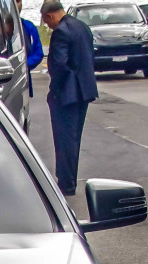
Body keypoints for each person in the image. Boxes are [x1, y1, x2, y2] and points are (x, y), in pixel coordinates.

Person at [41, 0, 97, 195]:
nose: (48, 27)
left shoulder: (61, 32)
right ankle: (69, 179)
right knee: (75, 139)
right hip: (84, 91)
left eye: (47, 23)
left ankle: (66, 183)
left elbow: (59, 65)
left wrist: (54, 90)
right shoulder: (82, 27)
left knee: (64, 140)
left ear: (49, 16)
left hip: (67, 94)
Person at [18, 0, 44, 97]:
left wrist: (24, 65)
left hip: (23, 76)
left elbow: (38, 53)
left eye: (18, 1)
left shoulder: (29, 27)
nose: (17, 5)